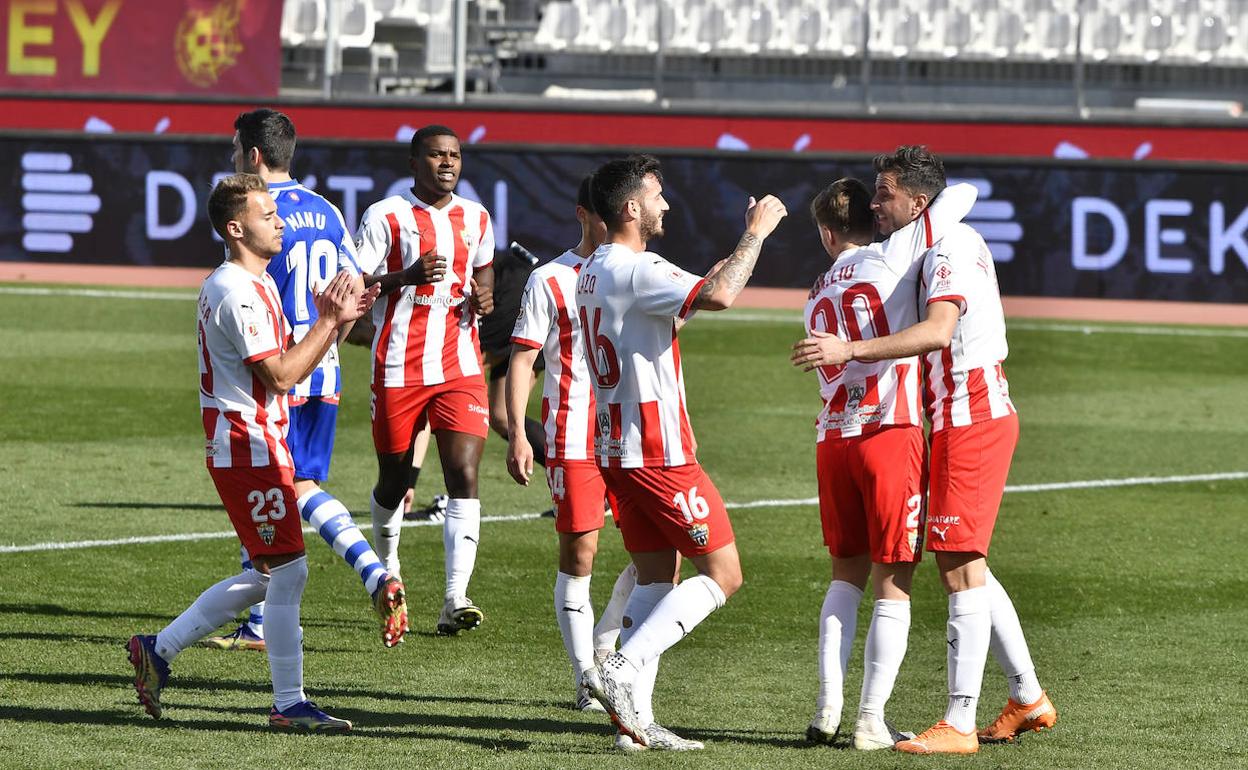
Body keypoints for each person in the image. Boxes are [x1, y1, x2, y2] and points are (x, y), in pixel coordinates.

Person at [793, 146, 1057, 754]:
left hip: (970, 410)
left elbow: (939, 331)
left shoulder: (948, 247)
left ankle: (959, 723)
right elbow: (959, 193)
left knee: (956, 562)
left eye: (885, 193)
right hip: (946, 412)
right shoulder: (924, 241)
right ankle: (1026, 694)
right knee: (963, 560)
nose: (876, 204)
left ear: (916, 201)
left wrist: (850, 351)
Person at [127, 173, 374, 731]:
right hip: (248, 446)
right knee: (289, 573)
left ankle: (157, 650)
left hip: (263, 442)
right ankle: (288, 704)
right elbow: (283, 375)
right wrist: (329, 320)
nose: (280, 220)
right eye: (268, 215)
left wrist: (340, 322)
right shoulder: (236, 290)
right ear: (236, 228)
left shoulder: (256, 283)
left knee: (271, 575)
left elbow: (288, 363)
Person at [580, 155, 787, 751]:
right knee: (724, 573)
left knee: (656, 575)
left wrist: (726, 260)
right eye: (656, 196)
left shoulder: (595, 267)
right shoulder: (638, 267)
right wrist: (757, 232)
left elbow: (680, 306)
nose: (665, 205)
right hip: (658, 449)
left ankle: (635, 727)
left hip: (616, 447)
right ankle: (618, 668)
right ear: (630, 209)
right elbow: (719, 296)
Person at [201, 108, 408, 652]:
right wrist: (328, 347)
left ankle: (366, 576)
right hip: (325, 362)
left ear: (253, 155)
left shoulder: (255, 215)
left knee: (278, 487)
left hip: (280, 364)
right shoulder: (328, 211)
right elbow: (355, 293)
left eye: (233, 151)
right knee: (294, 486)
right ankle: (264, 621)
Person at [791, 178, 976, 749]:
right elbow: (961, 195)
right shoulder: (894, 257)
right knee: (893, 581)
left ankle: (827, 709)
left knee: (843, 578)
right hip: (888, 433)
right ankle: (870, 718)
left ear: (826, 232)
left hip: (833, 440)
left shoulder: (817, 289)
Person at [505, 175, 639, 715]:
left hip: (634, 431)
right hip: (573, 433)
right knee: (580, 553)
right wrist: (517, 430)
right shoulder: (549, 279)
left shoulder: (636, 270)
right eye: (605, 216)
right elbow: (522, 358)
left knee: (661, 555)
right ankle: (587, 676)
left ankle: (605, 646)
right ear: (584, 214)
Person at [355, 124, 496, 635]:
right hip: (397, 365)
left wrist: (485, 298)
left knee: (463, 472)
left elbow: (484, 275)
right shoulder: (385, 215)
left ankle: (455, 596)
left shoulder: (477, 217)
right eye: (436, 155)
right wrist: (403, 277)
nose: (447, 163)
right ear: (414, 162)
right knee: (394, 482)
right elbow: (356, 281)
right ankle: (387, 572)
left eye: (454, 156)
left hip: (459, 364)